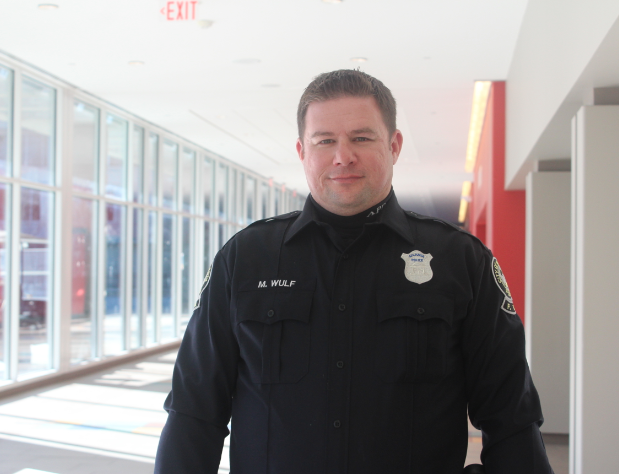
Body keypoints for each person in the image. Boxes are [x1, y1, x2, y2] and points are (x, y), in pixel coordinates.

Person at [154, 69, 554, 473]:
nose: (342, 155)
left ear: (394, 145)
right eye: (324, 140)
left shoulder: (460, 261)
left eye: (361, 138)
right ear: (302, 151)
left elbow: (511, 421)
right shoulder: (245, 259)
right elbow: (194, 413)